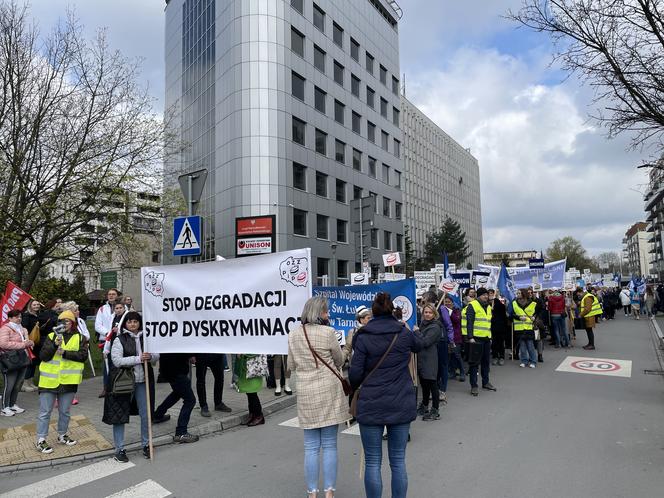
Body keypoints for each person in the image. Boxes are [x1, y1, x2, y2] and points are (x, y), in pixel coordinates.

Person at [349, 292, 423, 498]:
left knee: (372, 461)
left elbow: (354, 374)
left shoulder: (362, 336)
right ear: (392, 310)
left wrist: (357, 384)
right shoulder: (403, 332)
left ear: (372, 312)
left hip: (371, 402)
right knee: (398, 460)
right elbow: (419, 345)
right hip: (400, 400)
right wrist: (412, 328)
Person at [288, 296, 349, 498]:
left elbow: (290, 366)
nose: (328, 314)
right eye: (326, 311)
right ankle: (329, 491)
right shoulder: (328, 332)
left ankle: (312, 492)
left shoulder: (294, 334)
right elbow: (339, 361)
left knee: (311, 447)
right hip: (329, 390)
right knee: (330, 444)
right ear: (319, 313)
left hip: (306, 392)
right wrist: (346, 348)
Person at [103, 311, 159, 461]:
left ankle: (147, 444)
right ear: (125, 324)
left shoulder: (147, 338)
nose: (133, 324)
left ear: (140, 323)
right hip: (125, 382)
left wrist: (151, 356)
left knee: (146, 414)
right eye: (129, 322)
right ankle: (119, 449)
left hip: (143, 381)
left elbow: (156, 356)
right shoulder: (120, 339)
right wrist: (138, 358)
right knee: (120, 414)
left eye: (135, 321)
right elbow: (117, 360)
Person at [35, 310, 88, 454]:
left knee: (65, 411)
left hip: (68, 382)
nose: (64, 324)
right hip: (49, 382)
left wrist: (65, 353)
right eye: (61, 321)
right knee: (45, 412)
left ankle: (62, 435)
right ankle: (41, 440)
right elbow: (43, 356)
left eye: (67, 321)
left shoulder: (80, 338)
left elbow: (83, 356)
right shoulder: (52, 336)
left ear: (72, 323)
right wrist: (53, 345)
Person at [152, 353, 198, 442]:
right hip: (176, 370)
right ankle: (181, 432)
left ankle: (158, 415)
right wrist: (191, 355)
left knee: (177, 393)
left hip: (169, 369)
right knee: (190, 400)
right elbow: (180, 349)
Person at [462, 287, 496, 396]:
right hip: (476, 339)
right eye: (483, 295)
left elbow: (488, 323)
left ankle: (486, 382)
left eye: (487, 295)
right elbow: (469, 323)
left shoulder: (489, 307)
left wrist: (490, 337)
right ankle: (474, 386)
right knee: (474, 364)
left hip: (486, 338)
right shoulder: (472, 306)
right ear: (478, 296)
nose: (486, 296)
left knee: (486, 363)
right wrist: (470, 337)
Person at [0, 309, 34, 416]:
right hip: (10, 360)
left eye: (20, 317)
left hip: (22, 358)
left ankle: (12, 405)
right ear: (10, 318)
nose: (19, 318)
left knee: (17, 384)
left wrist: (29, 342)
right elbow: (3, 344)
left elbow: (26, 341)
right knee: (9, 385)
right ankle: (4, 407)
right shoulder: (5, 329)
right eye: (16, 317)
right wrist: (23, 345)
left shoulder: (21, 329)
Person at [416, 303, 442, 421]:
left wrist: (416, 332)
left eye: (430, 312)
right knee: (424, 384)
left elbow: (425, 342)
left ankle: (435, 410)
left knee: (432, 384)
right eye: (425, 312)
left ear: (434, 314)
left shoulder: (435, 327)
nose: (427, 314)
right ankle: (424, 406)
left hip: (430, 358)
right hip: (421, 358)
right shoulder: (423, 324)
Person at [234, 354, 265, 426]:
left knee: (252, 393)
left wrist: (243, 353)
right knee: (249, 393)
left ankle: (258, 416)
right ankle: (252, 415)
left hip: (253, 367)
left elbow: (255, 350)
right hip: (246, 366)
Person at [513, 290, 538, 368]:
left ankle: (533, 361)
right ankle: (524, 361)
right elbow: (511, 314)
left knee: (530, 346)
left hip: (529, 327)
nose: (518, 294)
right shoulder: (514, 303)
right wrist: (519, 317)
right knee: (522, 347)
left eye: (519, 293)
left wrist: (535, 317)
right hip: (519, 328)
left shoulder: (532, 303)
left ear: (524, 294)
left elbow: (538, 312)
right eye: (517, 293)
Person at [437, 297, 455, 405]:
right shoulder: (426, 309)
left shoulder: (442, 308)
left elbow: (449, 325)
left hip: (442, 341)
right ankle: (435, 388)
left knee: (443, 366)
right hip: (432, 342)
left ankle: (442, 390)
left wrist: (450, 340)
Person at [21, 300, 41, 392]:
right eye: (34, 304)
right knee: (29, 363)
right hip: (29, 342)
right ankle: (24, 384)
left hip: (36, 342)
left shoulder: (38, 316)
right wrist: (27, 341)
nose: (36, 306)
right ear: (30, 306)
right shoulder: (26, 316)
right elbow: (24, 329)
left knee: (34, 363)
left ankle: (31, 382)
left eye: (37, 304)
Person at [445, 296, 465, 382]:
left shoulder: (456, 311)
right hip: (447, 337)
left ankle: (462, 372)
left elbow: (457, 320)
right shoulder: (442, 311)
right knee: (450, 356)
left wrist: (450, 312)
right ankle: (452, 372)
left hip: (456, 337)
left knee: (457, 355)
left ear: (452, 303)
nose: (447, 303)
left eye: (449, 302)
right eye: (445, 302)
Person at [489, 289, 508, 365]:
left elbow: (503, 313)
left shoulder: (500, 303)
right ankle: (495, 356)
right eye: (489, 293)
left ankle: (502, 357)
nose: (490, 295)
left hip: (500, 326)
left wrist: (496, 299)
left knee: (500, 342)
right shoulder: (486, 303)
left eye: (491, 293)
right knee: (494, 343)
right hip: (491, 326)